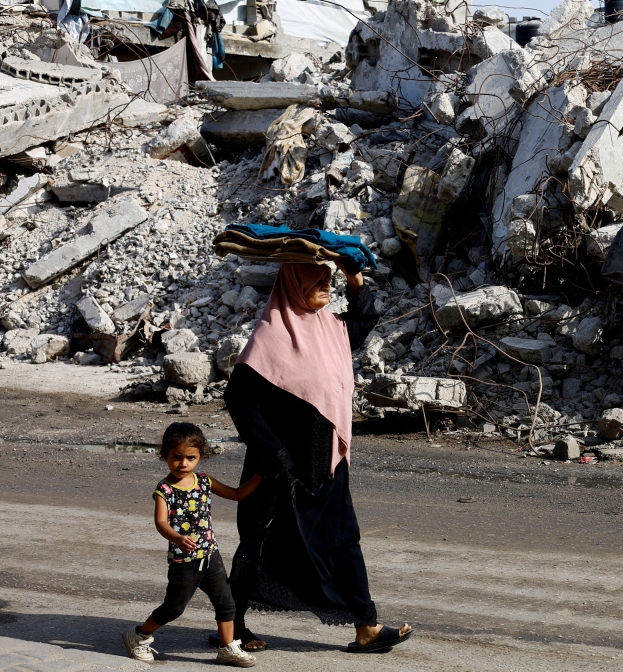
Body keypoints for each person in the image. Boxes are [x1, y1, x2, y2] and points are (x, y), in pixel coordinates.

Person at [220, 260, 413, 654]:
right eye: (316, 280)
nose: (326, 286)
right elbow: (238, 398)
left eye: (328, 280)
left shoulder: (332, 330)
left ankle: (366, 626)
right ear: (293, 284)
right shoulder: (271, 336)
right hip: (280, 467)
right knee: (258, 540)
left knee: (344, 539)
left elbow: (364, 320)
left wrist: (353, 277)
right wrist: (272, 453)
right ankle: (233, 628)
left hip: (326, 461)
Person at [122, 422, 263, 667]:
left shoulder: (204, 481)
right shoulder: (164, 489)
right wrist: (176, 538)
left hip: (210, 555)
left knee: (226, 603)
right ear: (164, 454)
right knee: (174, 608)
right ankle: (139, 636)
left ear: (201, 457)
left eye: (190, 457)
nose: (183, 464)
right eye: (176, 457)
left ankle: (227, 648)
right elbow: (160, 522)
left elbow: (237, 494)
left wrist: (260, 476)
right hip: (183, 561)